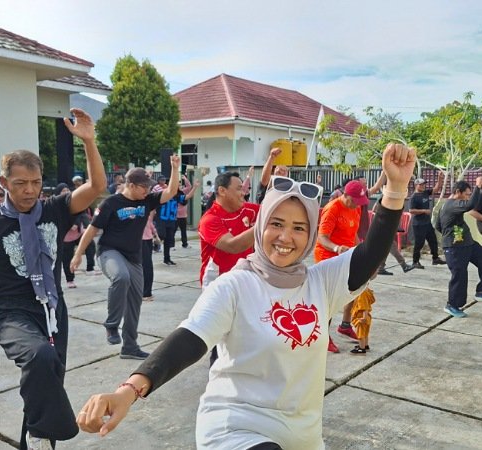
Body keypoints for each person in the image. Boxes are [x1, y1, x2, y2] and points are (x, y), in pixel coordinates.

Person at [76, 143, 415, 449]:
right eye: (276, 223)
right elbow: (189, 339)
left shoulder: (321, 282)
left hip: (303, 434)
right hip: (237, 427)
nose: (286, 236)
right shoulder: (234, 285)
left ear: (310, 234)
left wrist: (396, 189)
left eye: (299, 228)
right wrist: (130, 390)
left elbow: (370, 254)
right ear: (261, 225)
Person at [0, 109, 107, 450]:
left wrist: (88, 141)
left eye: (35, 182)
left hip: (53, 310)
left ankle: (37, 442)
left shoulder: (55, 208)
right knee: (41, 359)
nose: (29, 191)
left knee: (45, 385)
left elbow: (97, 186)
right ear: (4, 182)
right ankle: (49, 434)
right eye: (20, 183)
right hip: (10, 313)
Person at [70, 161, 180, 359]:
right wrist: (78, 254)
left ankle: (130, 346)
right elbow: (92, 229)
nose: (147, 191)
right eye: (144, 187)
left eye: (149, 187)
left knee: (135, 301)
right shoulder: (110, 203)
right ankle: (111, 325)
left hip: (133, 256)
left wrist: (175, 168)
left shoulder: (147, 200)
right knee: (121, 277)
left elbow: (171, 191)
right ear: (131, 185)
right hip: (109, 252)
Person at [198, 170, 259, 365]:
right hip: (219, 285)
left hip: (246, 280)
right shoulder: (210, 220)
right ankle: (217, 380)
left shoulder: (247, 210)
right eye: (239, 188)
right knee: (220, 337)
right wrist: (260, 227)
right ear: (222, 191)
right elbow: (233, 246)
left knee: (244, 333)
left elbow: (271, 207)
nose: (243, 193)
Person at [314, 179, 369, 352]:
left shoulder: (356, 207)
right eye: (355, 201)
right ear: (345, 195)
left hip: (347, 255)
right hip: (328, 256)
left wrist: (359, 250)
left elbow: (352, 233)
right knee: (329, 299)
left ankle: (345, 325)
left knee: (353, 289)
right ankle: (323, 336)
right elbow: (322, 237)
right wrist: (337, 248)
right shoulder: (333, 209)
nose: (357, 205)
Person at [435, 178, 482, 318]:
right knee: (459, 275)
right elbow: (470, 205)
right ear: (458, 192)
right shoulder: (452, 204)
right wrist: (478, 186)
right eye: (466, 194)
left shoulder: (452, 205)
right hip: (454, 248)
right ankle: (452, 305)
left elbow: (438, 226)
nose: (467, 196)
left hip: (468, 244)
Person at [409, 177, 445, 269]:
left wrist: (439, 179)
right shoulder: (414, 197)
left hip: (427, 223)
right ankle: (415, 262)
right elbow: (411, 210)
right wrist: (424, 211)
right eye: (421, 184)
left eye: (424, 184)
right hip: (418, 224)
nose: (423, 186)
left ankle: (435, 258)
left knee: (433, 240)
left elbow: (436, 189)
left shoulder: (425, 193)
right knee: (419, 243)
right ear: (416, 185)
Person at [350, 288, 375, 354]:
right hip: (367, 317)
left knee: (360, 334)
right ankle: (365, 345)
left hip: (361, 318)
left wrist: (364, 318)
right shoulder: (366, 291)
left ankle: (361, 348)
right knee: (365, 333)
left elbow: (364, 307)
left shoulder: (362, 293)